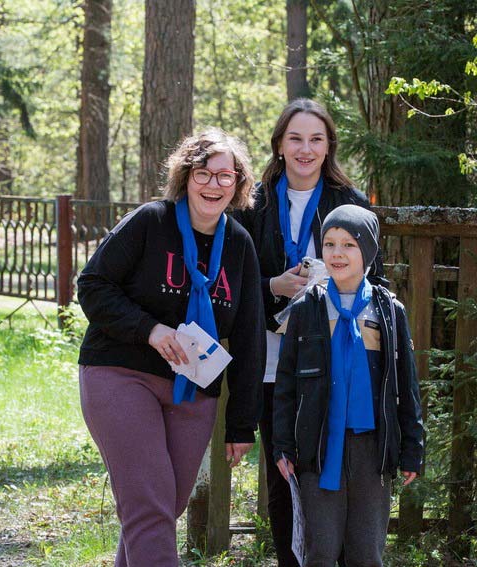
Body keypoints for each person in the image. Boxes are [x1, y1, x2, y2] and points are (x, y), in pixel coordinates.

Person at [77, 127, 266, 566]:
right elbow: (93, 285)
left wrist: (241, 425)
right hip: (121, 373)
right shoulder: (151, 221)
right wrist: (150, 330)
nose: (214, 184)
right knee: (149, 507)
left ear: (238, 183)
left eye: (225, 175)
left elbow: (250, 336)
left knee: (163, 507)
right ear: (185, 175)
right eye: (204, 173)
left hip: (193, 389)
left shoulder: (239, 244)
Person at [234, 98, 385, 567]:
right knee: (284, 474)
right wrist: (272, 286)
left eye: (316, 139)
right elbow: (230, 281)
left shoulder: (350, 202)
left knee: (335, 468)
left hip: (336, 358)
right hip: (272, 359)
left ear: (328, 146)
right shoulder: (251, 202)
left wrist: (331, 287)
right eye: (295, 138)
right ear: (279, 145)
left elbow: (376, 283)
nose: (305, 149)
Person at [272, 205, 424, 566]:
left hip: (373, 450)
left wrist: (412, 447)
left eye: (348, 245)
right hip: (319, 446)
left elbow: (407, 385)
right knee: (321, 549)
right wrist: (283, 444)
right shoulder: (306, 308)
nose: (337, 253)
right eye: (329, 244)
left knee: (366, 551)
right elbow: (286, 383)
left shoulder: (388, 311)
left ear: (367, 250)